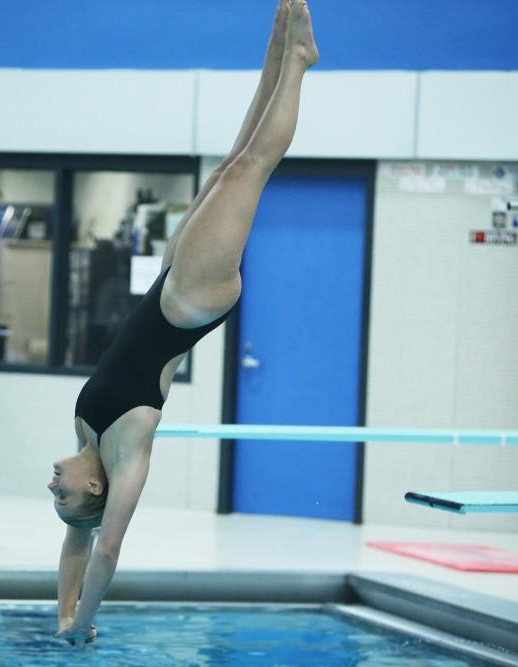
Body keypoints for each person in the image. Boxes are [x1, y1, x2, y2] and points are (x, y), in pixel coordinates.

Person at [50, 0, 318, 643]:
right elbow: (106, 551)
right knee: (252, 167)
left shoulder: (87, 430)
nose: (52, 483)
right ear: (94, 484)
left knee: (230, 162)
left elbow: (76, 546)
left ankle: (280, 47)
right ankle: (300, 65)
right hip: (193, 300)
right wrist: (85, 626)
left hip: (166, 289)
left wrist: (61, 616)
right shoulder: (126, 455)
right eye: (61, 493)